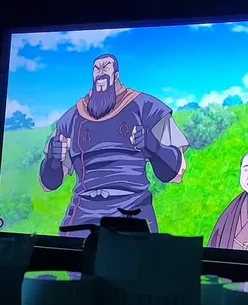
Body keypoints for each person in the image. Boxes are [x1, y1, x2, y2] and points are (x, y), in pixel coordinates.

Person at [39, 53, 189, 236]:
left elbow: (177, 173)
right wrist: (53, 161)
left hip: (132, 210)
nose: (100, 71)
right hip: (83, 214)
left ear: (116, 75)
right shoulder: (72, 118)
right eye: (97, 68)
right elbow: (48, 185)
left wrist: (154, 147)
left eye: (106, 67)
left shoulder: (145, 106)